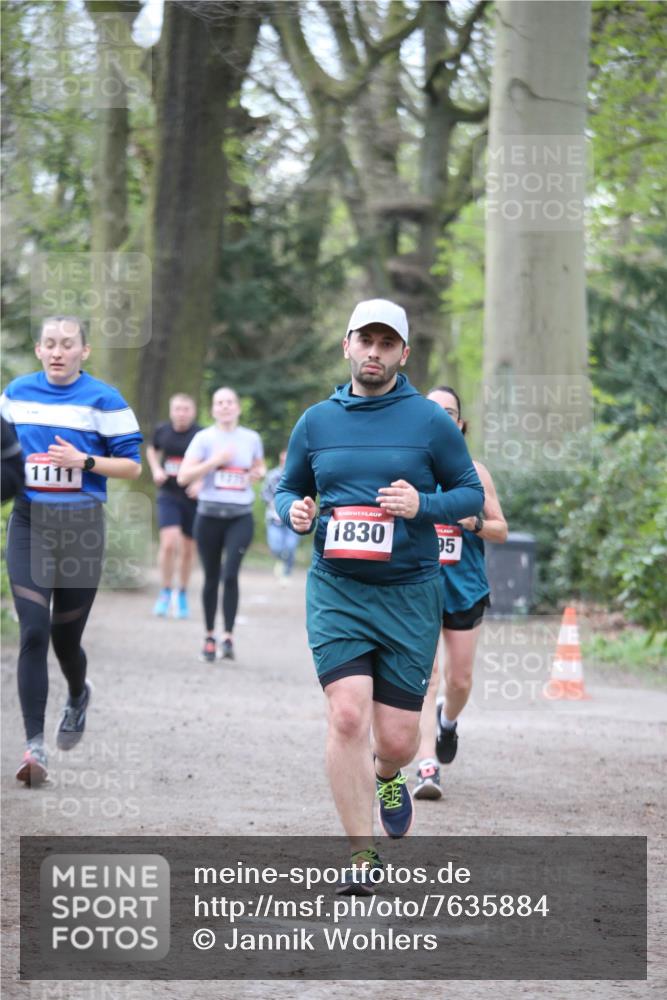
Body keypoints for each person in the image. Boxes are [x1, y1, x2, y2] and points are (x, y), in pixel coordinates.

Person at [274, 299, 483, 891]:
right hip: (338, 591)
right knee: (346, 716)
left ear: (404, 354)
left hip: (409, 596)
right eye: (365, 340)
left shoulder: (429, 421)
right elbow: (286, 487)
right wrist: (293, 509)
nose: (374, 351)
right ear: (346, 345)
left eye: (386, 343)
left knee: (394, 739)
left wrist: (425, 506)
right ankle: (360, 856)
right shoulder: (316, 421)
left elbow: (470, 495)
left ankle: (389, 774)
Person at [1, 316, 142, 786]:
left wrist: (83, 461)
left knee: (65, 641)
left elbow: (131, 468)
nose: (58, 351)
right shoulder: (15, 394)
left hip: (82, 528)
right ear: (39, 351)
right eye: (49, 344)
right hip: (29, 523)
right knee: (34, 632)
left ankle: (78, 693)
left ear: (85, 351)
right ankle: (34, 747)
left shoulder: (106, 400)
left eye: (67, 344)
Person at [414, 386, 508, 801]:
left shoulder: (475, 472)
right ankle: (426, 765)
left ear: (460, 423)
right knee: (426, 676)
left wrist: (473, 523)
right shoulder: (407, 468)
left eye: (449, 412)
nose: (441, 418)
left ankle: (447, 722)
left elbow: (501, 530)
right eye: (433, 411)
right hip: (416, 585)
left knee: (460, 679)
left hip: (464, 586)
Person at [177, 387, 265, 663]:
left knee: (230, 574)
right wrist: (214, 462)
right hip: (209, 516)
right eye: (219, 403)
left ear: (237, 407)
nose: (225, 407)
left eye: (229, 402)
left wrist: (257, 473)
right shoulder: (204, 439)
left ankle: (228, 636)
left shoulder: (251, 438)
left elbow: (259, 467)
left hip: (240, 515)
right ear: (213, 409)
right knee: (212, 576)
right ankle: (209, 636)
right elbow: (183, 477)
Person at [146, 393, 201, 618]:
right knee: (169, 543)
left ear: (193, 411)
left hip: (193, 497)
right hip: (169, 494)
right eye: (177, 408)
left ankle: (182, 593)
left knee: (188, 549)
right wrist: (156, 469)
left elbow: (213, 462)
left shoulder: (201, 434)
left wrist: (200, 482)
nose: (181, 413)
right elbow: (152, 449)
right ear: (171, 411)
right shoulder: (163, 430)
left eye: (185, 409)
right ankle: (165, 590)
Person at [261, 450, 301, 584]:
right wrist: (272, 503)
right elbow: (264, 493)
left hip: (292, 519)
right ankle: (280, 561)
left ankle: (287, 571)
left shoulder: (298, 475)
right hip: (274, 519)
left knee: (290, 546)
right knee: (276, 547)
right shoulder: (272, 476)